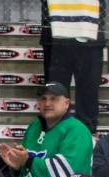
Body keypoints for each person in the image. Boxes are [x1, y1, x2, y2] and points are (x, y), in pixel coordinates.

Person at [41, 0, 104, 133]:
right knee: (55, 89)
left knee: (89, 89)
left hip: (92, 29)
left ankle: (86, 134)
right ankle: (55, 132)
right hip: (54, 29)